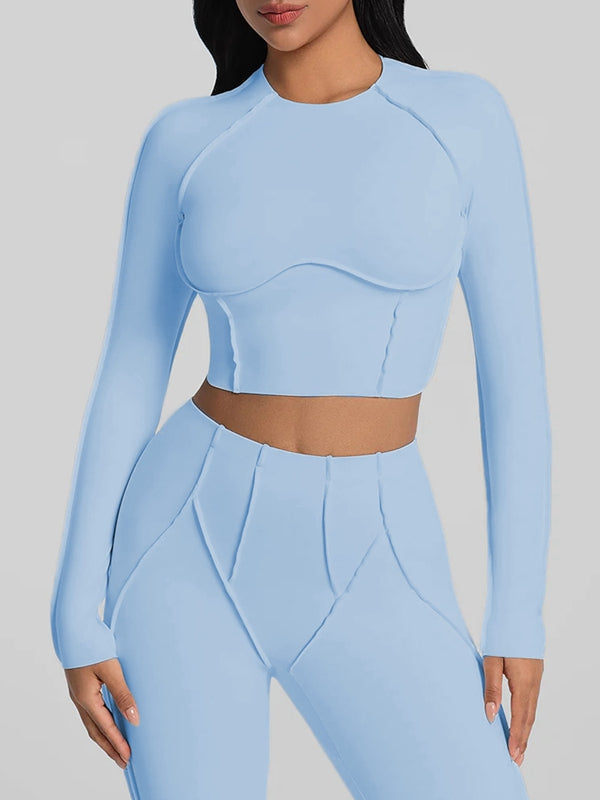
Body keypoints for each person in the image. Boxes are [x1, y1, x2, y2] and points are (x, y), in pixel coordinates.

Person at [49, 1, 552, 798]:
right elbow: (130, 369)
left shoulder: (463, 120)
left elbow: (515, 379)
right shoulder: (186, 140)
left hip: (379, 552)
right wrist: (74, 611)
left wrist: (518, 613)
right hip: (184, 545)